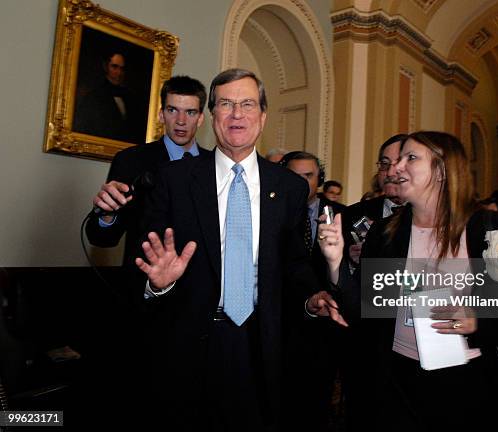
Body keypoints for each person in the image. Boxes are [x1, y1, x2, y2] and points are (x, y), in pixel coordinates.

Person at [134, 68, 324, 431]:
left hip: (262, 342)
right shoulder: (173, 180)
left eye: (248, 104)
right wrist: (158, 284)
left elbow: (294, 263)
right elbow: (150, 259)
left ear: (263, 116)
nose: (237, 114)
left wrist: (310, 296)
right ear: (213, 116)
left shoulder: (288, 187)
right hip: (190, 344)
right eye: (226, 104)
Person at [310, 131, 498, 431]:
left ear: (442, 170)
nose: (396, 168)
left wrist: (479, 319)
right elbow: (366, 310)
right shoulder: (386, 233)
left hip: (468, 380)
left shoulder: (491, 229)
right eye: (394, 161)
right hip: (397, 379)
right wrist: (336, 261)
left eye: (410, 158)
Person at [80, 75, 207, 428]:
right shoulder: (131, 160)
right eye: (173, 110)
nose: (181, 121)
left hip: (200, 305)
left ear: (201, 117)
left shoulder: (217, 167)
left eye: (190, 112)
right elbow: (102, 237)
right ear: (161, 114)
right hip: (142, 306)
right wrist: (106, 214)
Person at [280, 151, 345, 429]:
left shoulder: (341, 214)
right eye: (295, 176)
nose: (303, 183)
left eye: (309, 176)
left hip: (324, 325)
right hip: (282, 320)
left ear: (319, 179)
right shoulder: (272, 212)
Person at [342, 134, 408, 266]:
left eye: (399, 163)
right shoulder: (352, 214)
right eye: (384, 164)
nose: (389, 172)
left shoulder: (431, 217)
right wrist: (350, 261)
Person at [73, 51, 146, 143]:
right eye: (114, 67)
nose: (119, 72)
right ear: (105, 67)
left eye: (122, 68)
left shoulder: (130, 97)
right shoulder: (94, 97)